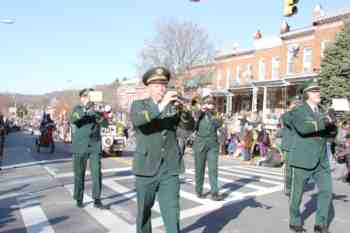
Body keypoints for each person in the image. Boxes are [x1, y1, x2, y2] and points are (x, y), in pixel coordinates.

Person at [130, 67, 194, 233]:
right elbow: (139, 121)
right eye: (157, 85)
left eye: (164, 85)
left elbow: (186, 131)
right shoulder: (139, 105)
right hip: (146, 167)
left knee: (172, 213)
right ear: (149, 87)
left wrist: (185, 113)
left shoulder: (172, 108)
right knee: (144, 213)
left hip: (170, 168)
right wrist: (162, 104)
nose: (162, 88)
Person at [288, 80, 337, 233]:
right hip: (303, 158)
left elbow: (331, 132)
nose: (318, 93)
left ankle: (320, 225)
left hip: (321, 159)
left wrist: (332, 126)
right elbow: (304, 128)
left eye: (318, 90)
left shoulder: (322, 110)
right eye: (314, 91)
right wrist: (325, 122)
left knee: (327, 191)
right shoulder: (298, 110)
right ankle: (295, 221)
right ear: (307, 94)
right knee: (297, 195)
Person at [69, 88, 109, 209]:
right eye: (85, 97)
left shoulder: (97, 109)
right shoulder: (77, 109)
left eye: (90, 96)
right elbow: (74, 119)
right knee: (79, 173)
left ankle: (97, 199)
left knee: (97, 173)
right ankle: (79, 198)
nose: (88, 99)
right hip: (80, 146)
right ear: (81, 98)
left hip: (94, 145)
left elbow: (105, 124)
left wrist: (97, 113)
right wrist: (86, 110)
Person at [192, 96, 224, 201]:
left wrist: (210, 113)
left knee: (213, 169)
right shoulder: (198, 113)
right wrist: (201, 111)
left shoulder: (216, 115)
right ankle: (199, 190)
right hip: (200, 144)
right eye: (207, 103)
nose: (210, 105)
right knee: (199, 169)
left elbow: (217, 124)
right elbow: (193, 124)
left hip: (212, 144)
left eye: (211, 104)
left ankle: (214, 193)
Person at [280, 97, 300, 197]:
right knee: (288, 169)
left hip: (298, 146)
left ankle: (294, 187)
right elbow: (285, 118)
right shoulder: (286, 116)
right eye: (295, 104)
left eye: (298, 104)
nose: (297, 106)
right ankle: (288, 188)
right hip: (288, 146)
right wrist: (291, 109)